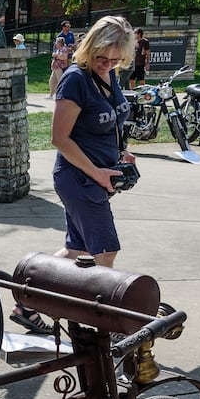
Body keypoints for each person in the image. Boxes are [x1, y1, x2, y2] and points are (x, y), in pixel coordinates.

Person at [45, 15, 136, 280]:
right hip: (79, 178)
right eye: (102, 59)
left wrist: (121, 153)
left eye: (115, 60)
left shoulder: (108, 76)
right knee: (106, 252)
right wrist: (96, 172)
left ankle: (25, 303)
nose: (107, 65)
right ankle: (104, 316)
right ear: (90, 49)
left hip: (96, 177)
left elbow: (112, 119)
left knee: (76, 249)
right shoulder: (75, 79)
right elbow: (59, 138)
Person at [48, 21, 74, 95]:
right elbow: (56, 48)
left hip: (68, 58)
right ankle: (52, 93)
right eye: (67, 26)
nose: (68, 28)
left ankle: (64, 93)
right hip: (60, 61)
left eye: (69, 26)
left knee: (67, 76)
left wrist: (71, 47)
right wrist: (55, 56)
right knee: (55, 78)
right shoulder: (60, 36)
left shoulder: (71, 34)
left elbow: (73, 44)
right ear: (63, 27)